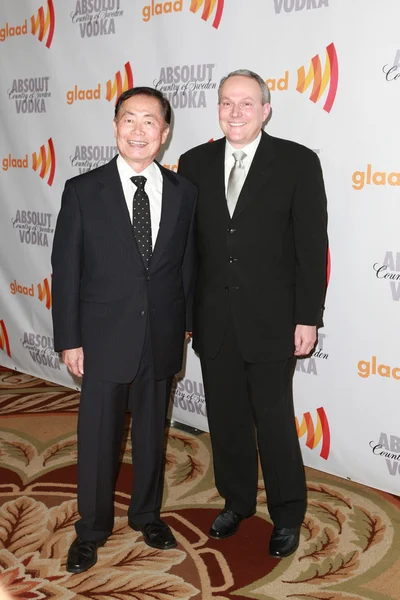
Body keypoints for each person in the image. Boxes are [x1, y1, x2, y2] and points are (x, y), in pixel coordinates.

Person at [178, 69, 328, 558]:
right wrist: (184, 315)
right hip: (213, 319)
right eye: (226, 103)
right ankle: (237, 500)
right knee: (226, 419)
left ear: (266, 109)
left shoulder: (298, 162)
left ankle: (287, 514)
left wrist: (307, 318)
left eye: (246, 103)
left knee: (274, 420)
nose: (235, 112)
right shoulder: (194, 162)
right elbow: (187, 250)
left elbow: (311, 248)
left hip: (273, 321)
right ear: (217, 108)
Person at [52, 87, 197, 573]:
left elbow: (186, 268)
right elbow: (66, 272)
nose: (139, 130)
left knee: (153, 434)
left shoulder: (183, 193)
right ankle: (91, 529)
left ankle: (146, 515)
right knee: (97, 438)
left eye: (150, 122)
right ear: (115, 127)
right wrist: (69, 338)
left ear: (165, 132)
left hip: (160, 334)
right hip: (100, 338)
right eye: (129, 120)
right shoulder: (82, 190)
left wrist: (185, 326)